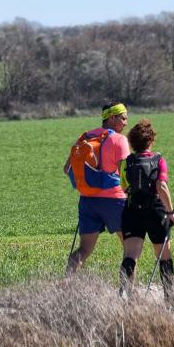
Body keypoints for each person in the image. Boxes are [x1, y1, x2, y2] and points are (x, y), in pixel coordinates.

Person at [65, 101, 130, 273]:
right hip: (115, 201)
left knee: (84, 250)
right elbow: (126, 173)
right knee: (131, 250)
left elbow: (67, 169)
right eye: (123, 118)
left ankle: (65, 289)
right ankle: (127, 295)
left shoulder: (85, 137)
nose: (126, 123)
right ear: (112, 117)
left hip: (87, 201)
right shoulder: (119, 139)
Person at [118, 119, 174, 300]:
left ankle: (125, 295)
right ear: (151, 140)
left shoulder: (125, 162)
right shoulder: (159, 160)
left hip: (132, 210)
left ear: (132, 142)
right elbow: (162, 186)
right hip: (156, 211)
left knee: (130, 255)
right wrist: (170, 212)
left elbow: (124, 188)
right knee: (164, 255)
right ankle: (169, 297)